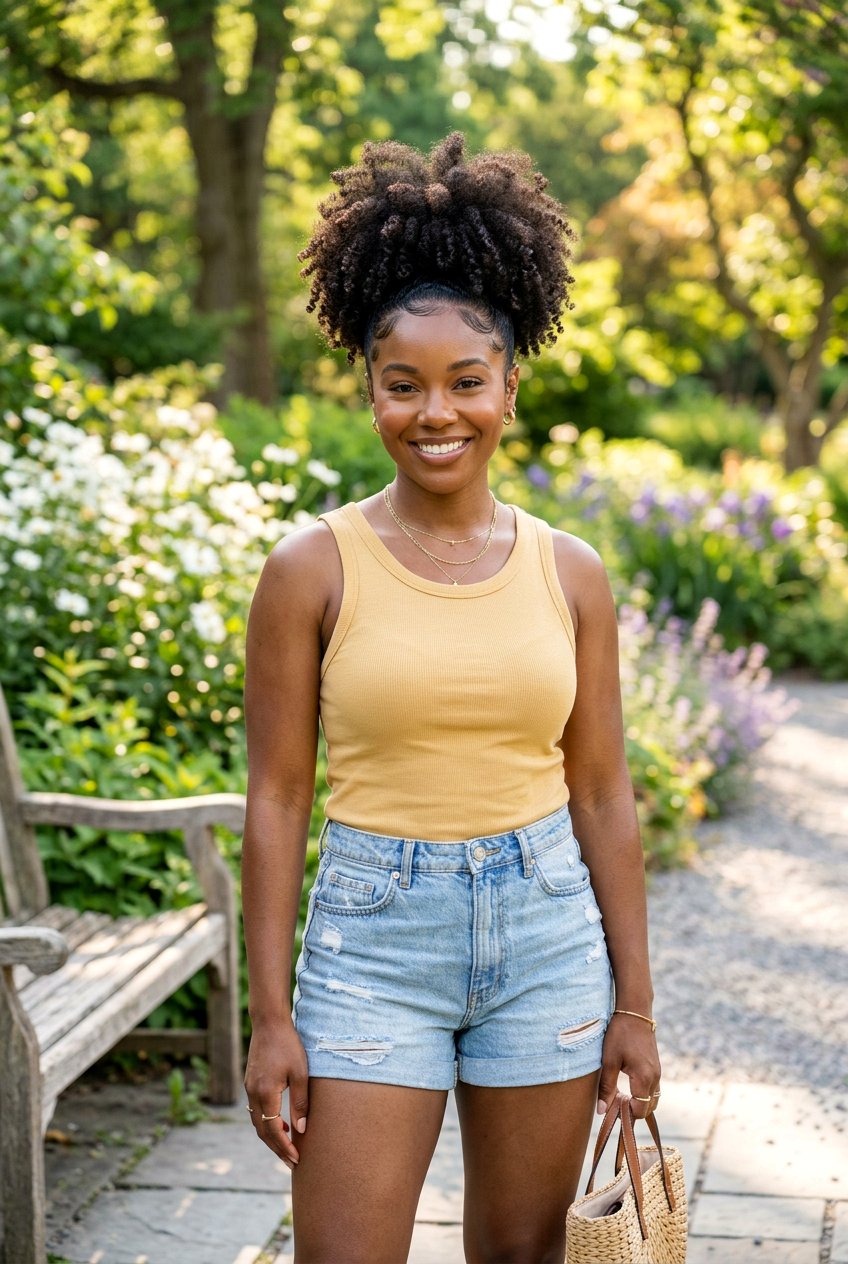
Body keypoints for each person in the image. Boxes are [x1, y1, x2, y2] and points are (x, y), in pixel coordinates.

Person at [241, 132, 661, 1264]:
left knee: (524, 1256)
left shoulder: (568, 571)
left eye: (465, 382)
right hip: (371, 943)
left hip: (544, 937)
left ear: (508, 389)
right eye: (403, 384)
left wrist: (634, 1005)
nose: (436, 412)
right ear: (368, 389)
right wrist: (270, 1015)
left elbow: (603, 792)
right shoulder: (308, 570)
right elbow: (276, 800)